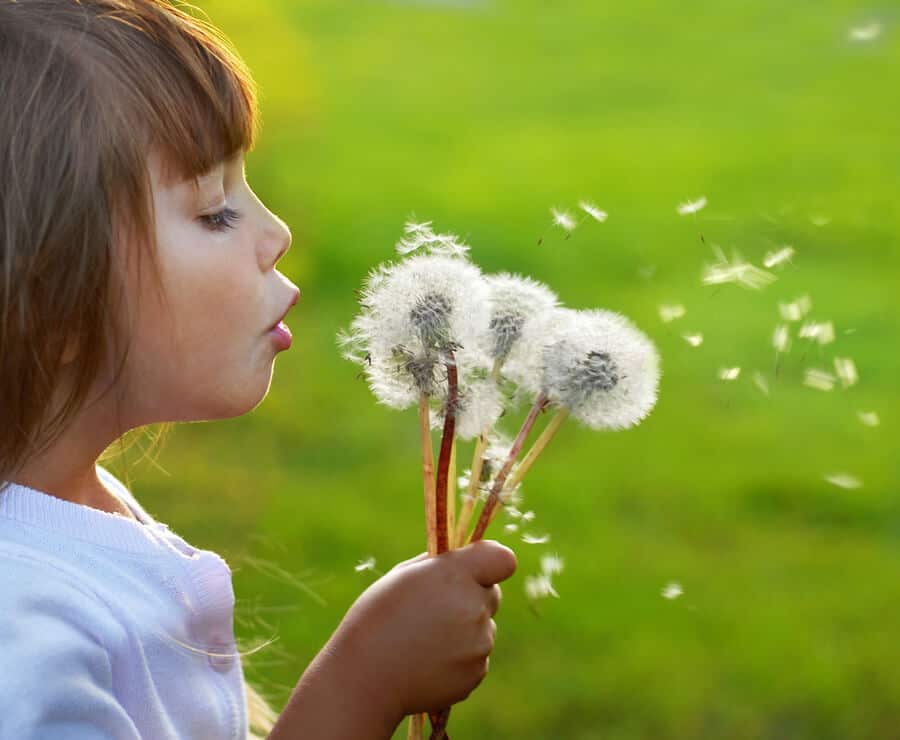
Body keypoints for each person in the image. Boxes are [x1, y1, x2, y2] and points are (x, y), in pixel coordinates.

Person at [0, 1, 517, 738]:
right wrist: (363, 683)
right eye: (214, 211)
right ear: (51, 302)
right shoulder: (21, 647)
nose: (277, 233)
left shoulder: (71, 503)